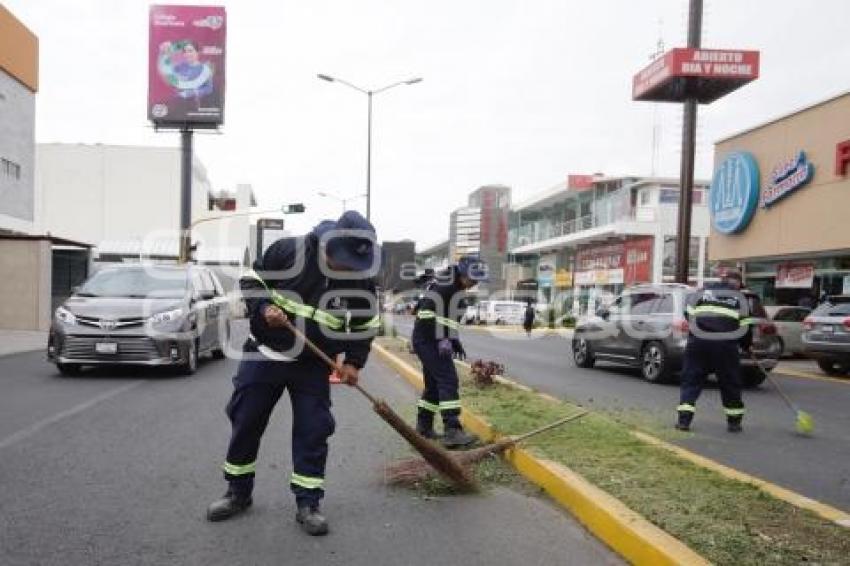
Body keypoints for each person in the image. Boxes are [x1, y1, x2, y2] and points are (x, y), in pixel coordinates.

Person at [206, 211, 380, 536]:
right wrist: (262, 308)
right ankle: (237, 493)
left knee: (313, 432)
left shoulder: (361, 280)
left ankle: (308, 503)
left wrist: (354, 362)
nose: (348, 268)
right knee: (246, 421)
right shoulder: (288, 252)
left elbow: (364, 326)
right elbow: (252, 281)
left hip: (314, 366)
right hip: (265, 353)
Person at [411, 255, 487, 448]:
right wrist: (441, 338)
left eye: (478, 280)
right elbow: (426, 314)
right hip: (428, 341)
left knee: (435, 385)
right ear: (462, 273)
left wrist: (454, 340)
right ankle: (452, 430)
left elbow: (446, 319)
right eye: (473, 278)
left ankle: (424, 426)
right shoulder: (446, 287)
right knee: (448, 379)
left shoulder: (454, 287)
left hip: (430, 340)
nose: (475, 283)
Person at [676, 269, 752, 433]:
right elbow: (746, 328)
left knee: (691, 380)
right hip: (725, 345)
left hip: (698, 342)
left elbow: (688, 313)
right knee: (730, 382)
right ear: (737, 283)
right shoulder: (741, 299)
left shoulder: (703, 292)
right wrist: (747, 346)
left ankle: (684, 421)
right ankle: (734, 423)